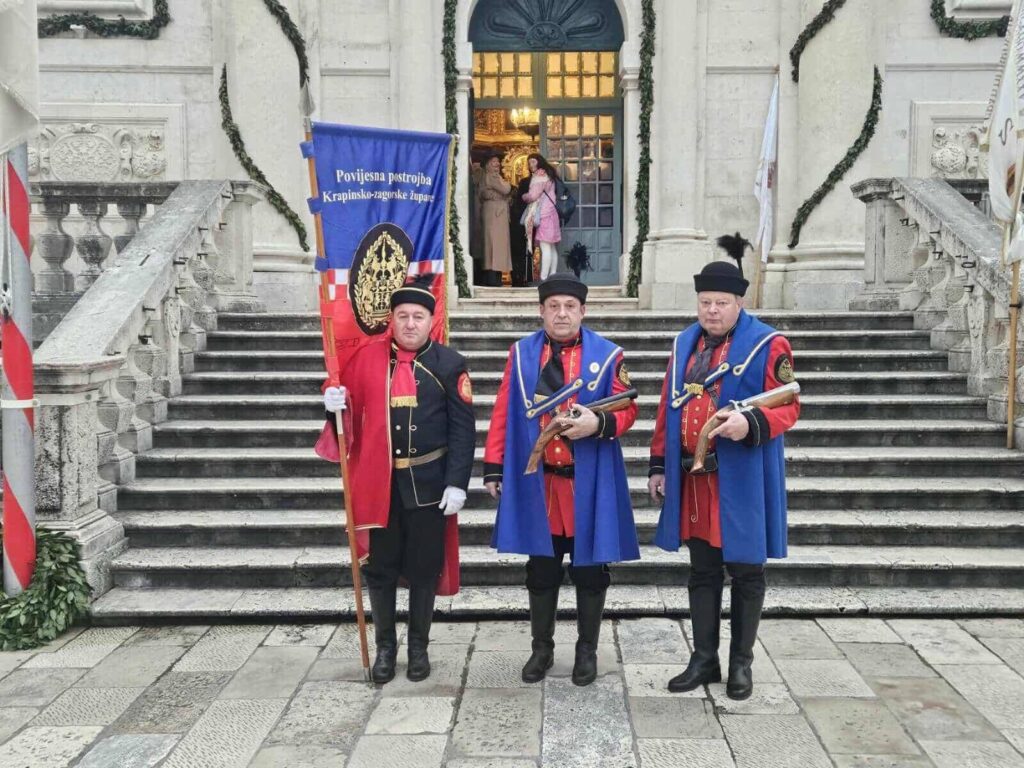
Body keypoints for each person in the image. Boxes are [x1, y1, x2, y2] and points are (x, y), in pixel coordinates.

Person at [647, 240, 800, 701]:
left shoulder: (768, 343)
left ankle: (741, 664)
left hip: (742, 478)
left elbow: (789, 405)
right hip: (695, 478)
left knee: (747, 571)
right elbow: (667, 407)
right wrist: (659, 464)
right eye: (705, 302)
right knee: (702, 571)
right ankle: (703, 660)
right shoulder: (684, 343)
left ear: (739, 303)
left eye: (721, 303)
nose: (712, 311)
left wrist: (749, 423)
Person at [483, 273, 639, 687]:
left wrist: (598, 422)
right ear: (541, 311)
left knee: (590, 571)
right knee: (541, 569)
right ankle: (542, 649)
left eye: (570, 307)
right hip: (541, 485)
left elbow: (628, 409)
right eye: (554, 307)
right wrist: (494, 465)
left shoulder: (608, 354)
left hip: (588, 484)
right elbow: (503, 410)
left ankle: (587, 651)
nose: (562, 314)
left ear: (583, 311)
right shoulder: (521, 354)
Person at [319, 274, 475, 684]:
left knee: (424, 570)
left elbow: (463, 430)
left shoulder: (450, 364)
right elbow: (346, 408)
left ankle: (418, 648)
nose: (409, 324)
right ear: (392, 319)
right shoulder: (367, 359)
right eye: (402, 316)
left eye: (417, 316)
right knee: (381, 569)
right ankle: (385, 648)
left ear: (431, 320)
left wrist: (457, 482)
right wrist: (333, 404)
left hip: (429, 485)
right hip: (380, 486)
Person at [521, 153, 562, 280]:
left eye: (533, 161)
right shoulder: (549, 174)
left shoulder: (539, 176)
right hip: (552, 212)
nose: (531, 165)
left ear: (539, 162)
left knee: (545, 246)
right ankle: (553, 274)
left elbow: (533, 196)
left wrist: (524, 196)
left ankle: (544, 278)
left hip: (543, 213)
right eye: (529, 162)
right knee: (552, 246)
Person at [478, 153, 513, 286]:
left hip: (494, 213)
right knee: (495, 245)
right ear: (488, 165)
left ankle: (493, 278)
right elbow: (506, 189)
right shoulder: (492, 176)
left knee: (493, 245)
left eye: (498, 161)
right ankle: (494, 280)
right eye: (494, 161)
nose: (497, 164)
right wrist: (505, 189)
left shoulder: (486, 177)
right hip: (496, 214)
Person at [510, 173, 533, 286]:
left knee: (516, 255)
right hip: (524, 230)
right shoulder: (530, 204)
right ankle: (527, 277)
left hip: (515, 231)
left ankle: (516, 278)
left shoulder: (515, 202)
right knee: (527, 253)